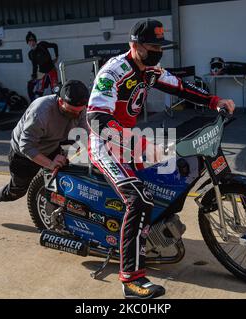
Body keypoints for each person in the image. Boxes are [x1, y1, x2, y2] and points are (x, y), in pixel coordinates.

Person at [87, 19, 235, 299]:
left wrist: (214, 101)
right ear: (135, 45)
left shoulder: (151, 69)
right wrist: (138, 144)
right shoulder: (113, 72)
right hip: (107, 144)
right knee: (139, 199)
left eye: (160, 46)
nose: (158, 51)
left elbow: (180, 87)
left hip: (130, 139)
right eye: (152, 46)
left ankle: (152, 231)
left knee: (179, 168)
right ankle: (131, 279)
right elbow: (96, 119)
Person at [0, 80, 89, 218]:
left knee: (69, 174)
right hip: (24, 154)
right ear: (60, 102)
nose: (78, 115)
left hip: (53, 143)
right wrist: (50, 164)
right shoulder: (41, 111)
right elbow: (26, 146)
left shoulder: (80, 109)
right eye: (72, 111)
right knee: (16, 191)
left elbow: (84, 133)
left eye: (80, 111)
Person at [26, 31, 59, 101]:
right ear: (27, 43)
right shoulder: (31, 54)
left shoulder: (42, 45)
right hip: (41, 72)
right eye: (29, 41)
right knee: (38, 92)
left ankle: (56, 107)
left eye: (32, 40)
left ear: (35, 40)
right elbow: (34, 66)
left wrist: (56, 57)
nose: (31, 42)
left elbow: (54, 45)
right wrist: (34, 76)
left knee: (55, 90)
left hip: (51, 70)